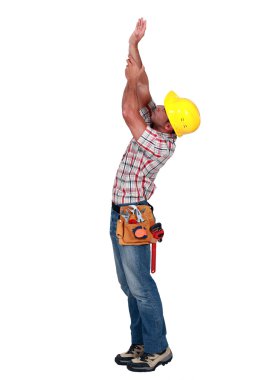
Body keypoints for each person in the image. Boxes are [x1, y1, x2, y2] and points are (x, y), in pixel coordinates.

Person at [110, 18, 200, 373]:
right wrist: (135, 45)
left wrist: (130, 81)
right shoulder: (159, 124)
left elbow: (128, 109)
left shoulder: (159, 142)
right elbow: (144, 89)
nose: (160, 104)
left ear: (168, 125)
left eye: (165, 108)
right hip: (119, 212)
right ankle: (141, 343)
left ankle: (158, 348)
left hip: (132, 215)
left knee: (142, 286)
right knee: (128, 285)